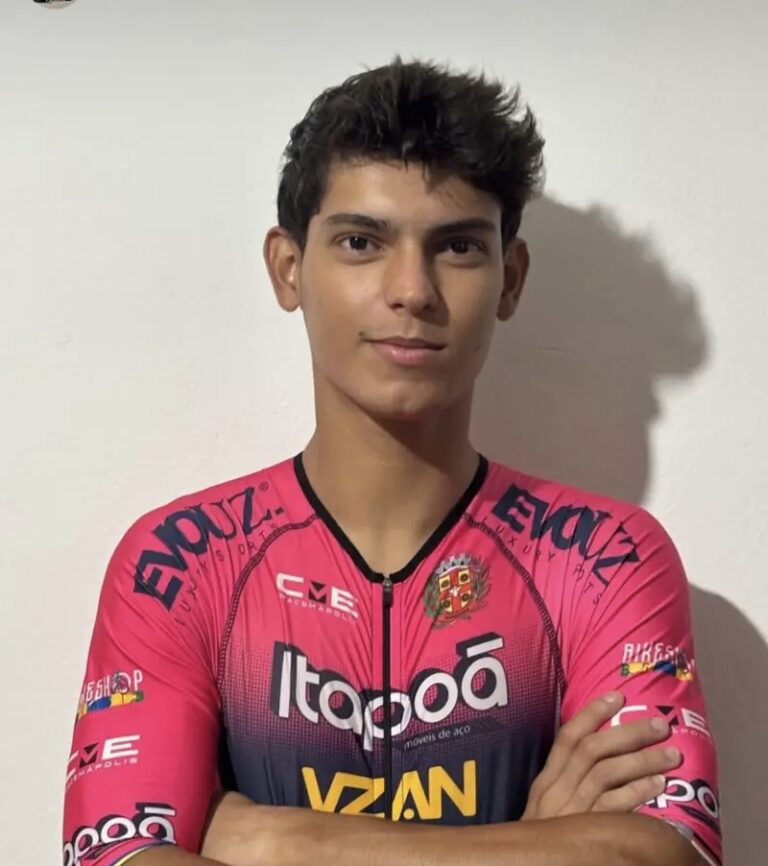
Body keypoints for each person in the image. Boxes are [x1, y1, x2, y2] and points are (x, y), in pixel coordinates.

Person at [62, 57, 721, 866]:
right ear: (288, 268)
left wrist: (274, 840)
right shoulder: (177, 562)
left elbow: (663, 858)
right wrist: (532, 847)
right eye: (361, 242)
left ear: (510, 280)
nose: (411, 290)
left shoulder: (609, 559)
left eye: (457, 247)